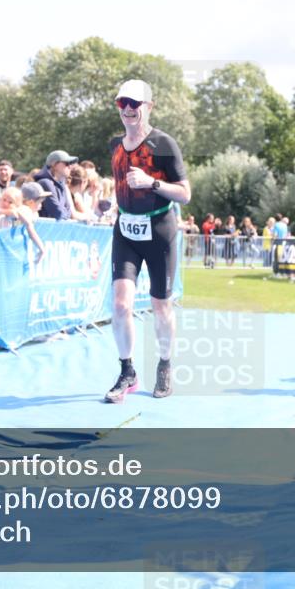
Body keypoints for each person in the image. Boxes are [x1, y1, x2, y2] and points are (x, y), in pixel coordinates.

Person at [104, 79, 190, 403]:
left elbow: (185, 193)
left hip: (160, 232)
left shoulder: (164, 144)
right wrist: (115, 203)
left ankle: (165, 365)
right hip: (125, 230)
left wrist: (152, 183)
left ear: (149, 107)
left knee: (160, 305)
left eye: (135, 104)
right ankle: (127, 371)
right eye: (122, 103)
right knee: (121, 304)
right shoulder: (114, 144)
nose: (128, 109)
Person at [0, 186, 46, 262]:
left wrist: (14, 212)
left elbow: (26, 221)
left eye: (10, 202)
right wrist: (4, 212)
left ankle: (42, 249)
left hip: (13, 254)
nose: (5, 203)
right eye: (4, 200)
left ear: (18, 204)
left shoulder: (20, 214)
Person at [34, 150, 78, 220]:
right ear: (54, 164)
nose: (70, 167)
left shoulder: (62, 184)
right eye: (67, 163)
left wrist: (66, 216)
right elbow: (58, 213)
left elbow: (68, 212)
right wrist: (66, 216)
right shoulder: (45, 183)